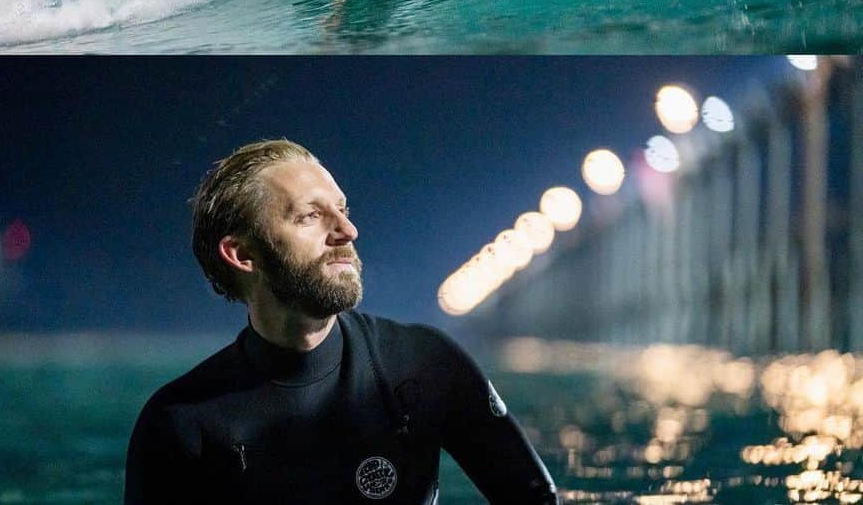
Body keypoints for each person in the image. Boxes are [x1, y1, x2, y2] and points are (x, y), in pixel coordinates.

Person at [124, 139, 559, 505]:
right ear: (243, 255)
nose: (347, 230)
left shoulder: (423, 365)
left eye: (342, 209)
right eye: (311, 216)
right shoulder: (182, 425)